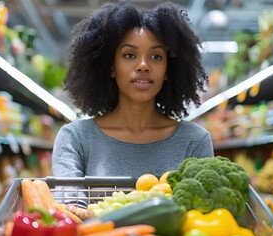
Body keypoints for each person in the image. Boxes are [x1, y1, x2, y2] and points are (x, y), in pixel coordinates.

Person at [52, 0, 214, 184]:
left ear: (168, 70)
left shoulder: (195, 141)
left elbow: (202, 211)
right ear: (111, 67)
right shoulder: (75, 138)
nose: (143, 65)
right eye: (129, 55)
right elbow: (69, 206)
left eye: (156, 56)